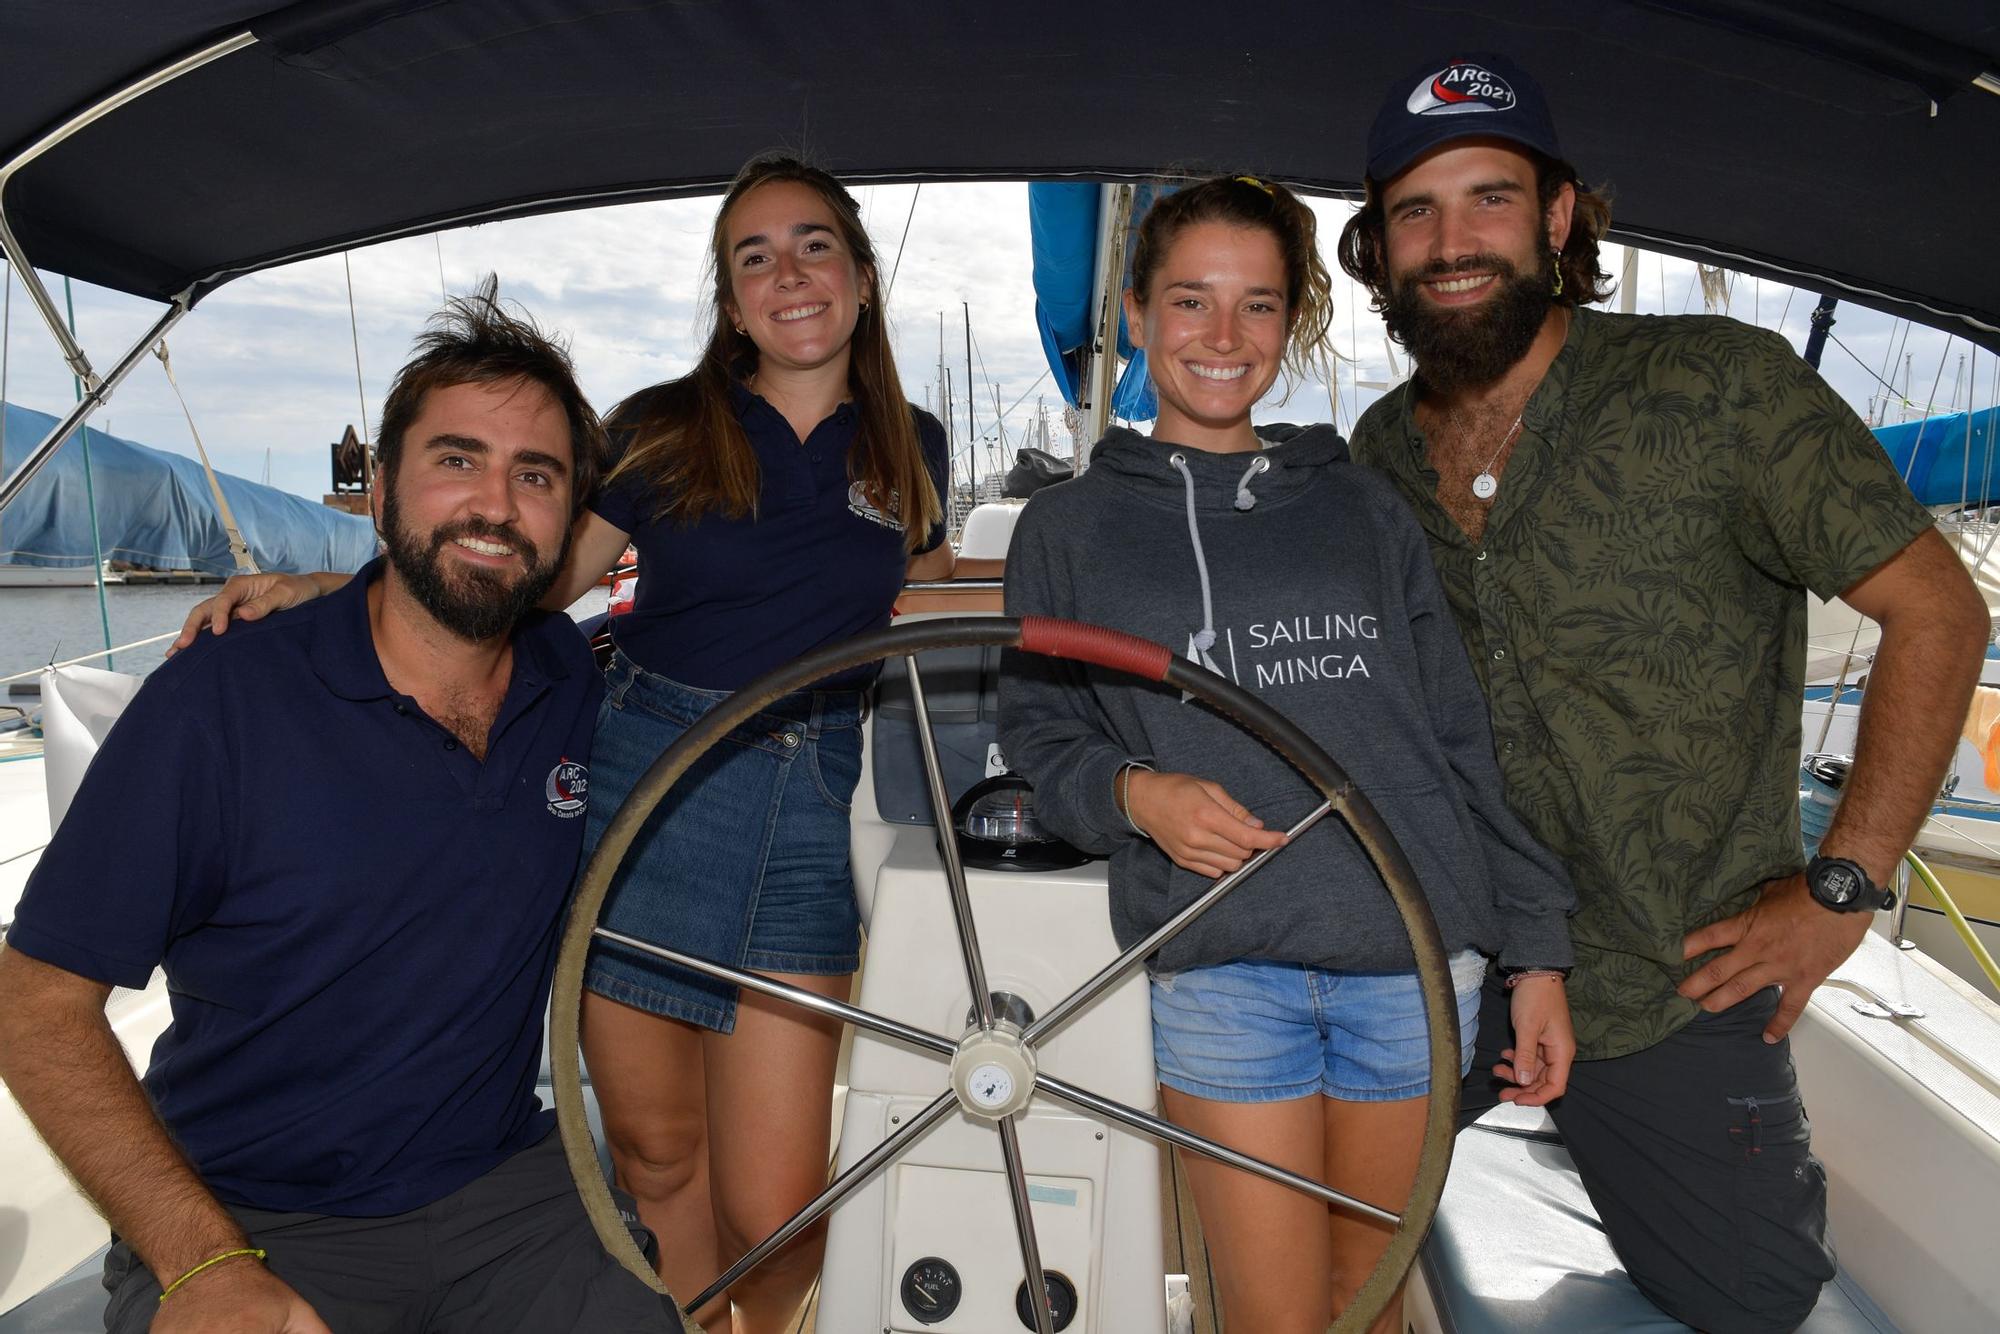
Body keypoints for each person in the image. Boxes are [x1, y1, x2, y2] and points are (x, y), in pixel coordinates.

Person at [171, 155, 952, 1333]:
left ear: (857, 273)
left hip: (809, 796)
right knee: (652, 1152)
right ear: (729, 296)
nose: (785, 273)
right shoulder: (662, 429)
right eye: (753, 255)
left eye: (809, 245)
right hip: (647, 784)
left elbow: (926, 599)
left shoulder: (911, 443)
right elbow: (521, 581)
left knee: (780, 1204)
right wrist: (335, 590)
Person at [1337, 53, 1990, 1333]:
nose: (1451, 240)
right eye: (1416, 210)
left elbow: (1937, 609)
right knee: (1295, 1209)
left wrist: (1840, 885)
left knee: (1747, 1300)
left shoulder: (1720, 388)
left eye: (1488, 198)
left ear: (1558, 216)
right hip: (1448, 954)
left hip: (1671, 973)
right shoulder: (1375, 453)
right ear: (1378, 246)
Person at [0, 286, 685, 1333]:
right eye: (456, 460)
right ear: (378, 492)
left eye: (534, 475)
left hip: (503, 1194)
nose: (494, 505)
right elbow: (32, 1002)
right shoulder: (222, 698)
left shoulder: (565, 673)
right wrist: (202, 1263)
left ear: (566, 520)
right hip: (247, 1211)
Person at [997, 175, 1577, 1334]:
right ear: (1134, 311)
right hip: (1227, 971)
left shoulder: (1361, 507)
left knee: (1365, 1305)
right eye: (1191, 301)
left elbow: (1458, 738)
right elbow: (1041, 734)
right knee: (1274, 1317)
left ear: (1292, 319)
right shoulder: (1064, 529)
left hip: (1416, 961)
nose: (1223, 337)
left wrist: (1538, 953)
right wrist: (1136, 792)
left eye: (1257, 305)